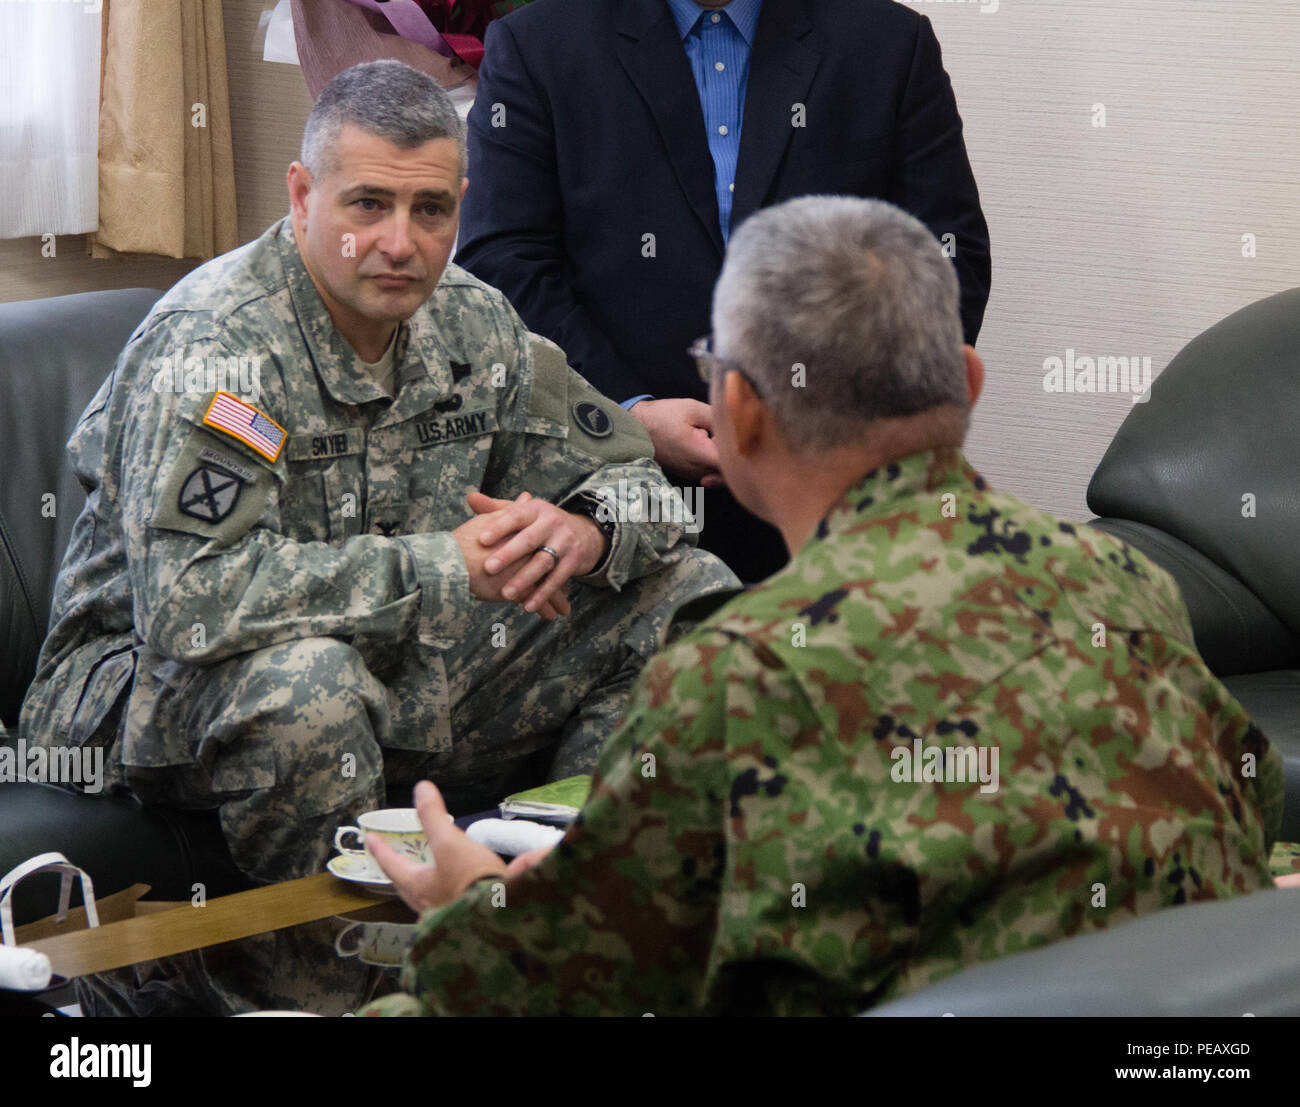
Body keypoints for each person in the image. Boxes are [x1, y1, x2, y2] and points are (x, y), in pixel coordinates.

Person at [360, 196, 1282, 1017]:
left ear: (739, 413)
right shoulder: (1127, 585)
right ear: (966, 382)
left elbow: (556, 977)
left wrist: (475, 903)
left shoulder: (740, 666)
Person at [17, 60, 739, 886]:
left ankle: (572, 913)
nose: (401, 242)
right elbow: (190, 603)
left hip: (387, 662)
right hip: (138, 683)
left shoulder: (475, 322)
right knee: (312, 684)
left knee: (684, 591)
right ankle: (323, 996)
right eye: (368, 204)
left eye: (430, 209)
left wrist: (585, 527)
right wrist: (444, 567)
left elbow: (641, 480)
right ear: (301, 196)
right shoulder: (219, 349)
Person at [455, 0, 992, 583]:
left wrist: (853, 417)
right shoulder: (539, 44)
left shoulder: (888, 42)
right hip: (609, 501)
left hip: (844, 495)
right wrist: (626, 416)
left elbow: (946, 256)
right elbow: (504, 262)